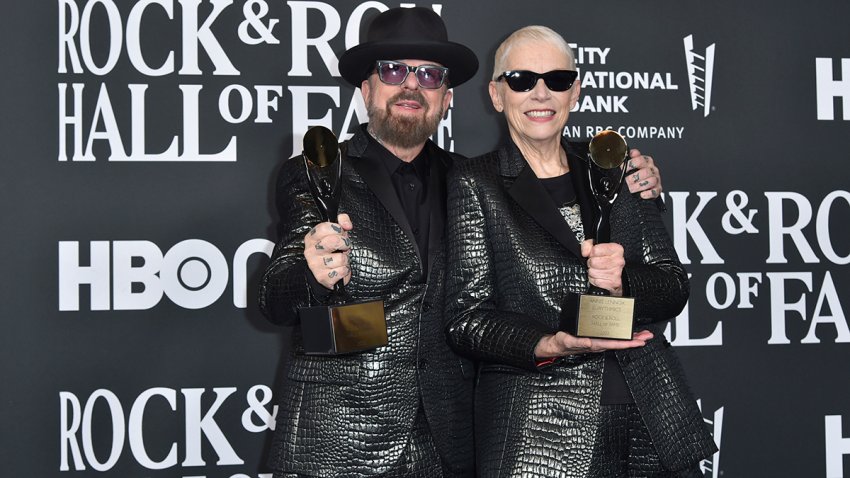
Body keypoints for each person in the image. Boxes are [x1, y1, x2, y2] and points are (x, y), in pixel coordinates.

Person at [259, 9, 664, 477]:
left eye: (429, 75)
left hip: (453, 439)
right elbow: (274, 298)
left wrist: (636, 178)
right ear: (367, 89)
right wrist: (309, 274)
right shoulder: (317, 174)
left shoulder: (473, 181)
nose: (412, 85)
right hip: (338, 439)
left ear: (446, 98)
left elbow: (560, 184)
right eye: (393, 70)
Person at [443, 25, 717, 478]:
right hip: (542, 433)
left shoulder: (617, 167)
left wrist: (624, 282)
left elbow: (672, 286)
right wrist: (549, 343)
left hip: (652, 422)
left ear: (576, 92)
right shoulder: (476, 183)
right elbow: (466, 318)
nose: (540, 93)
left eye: (556, 80)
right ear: (496, 94)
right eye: (521, 80)